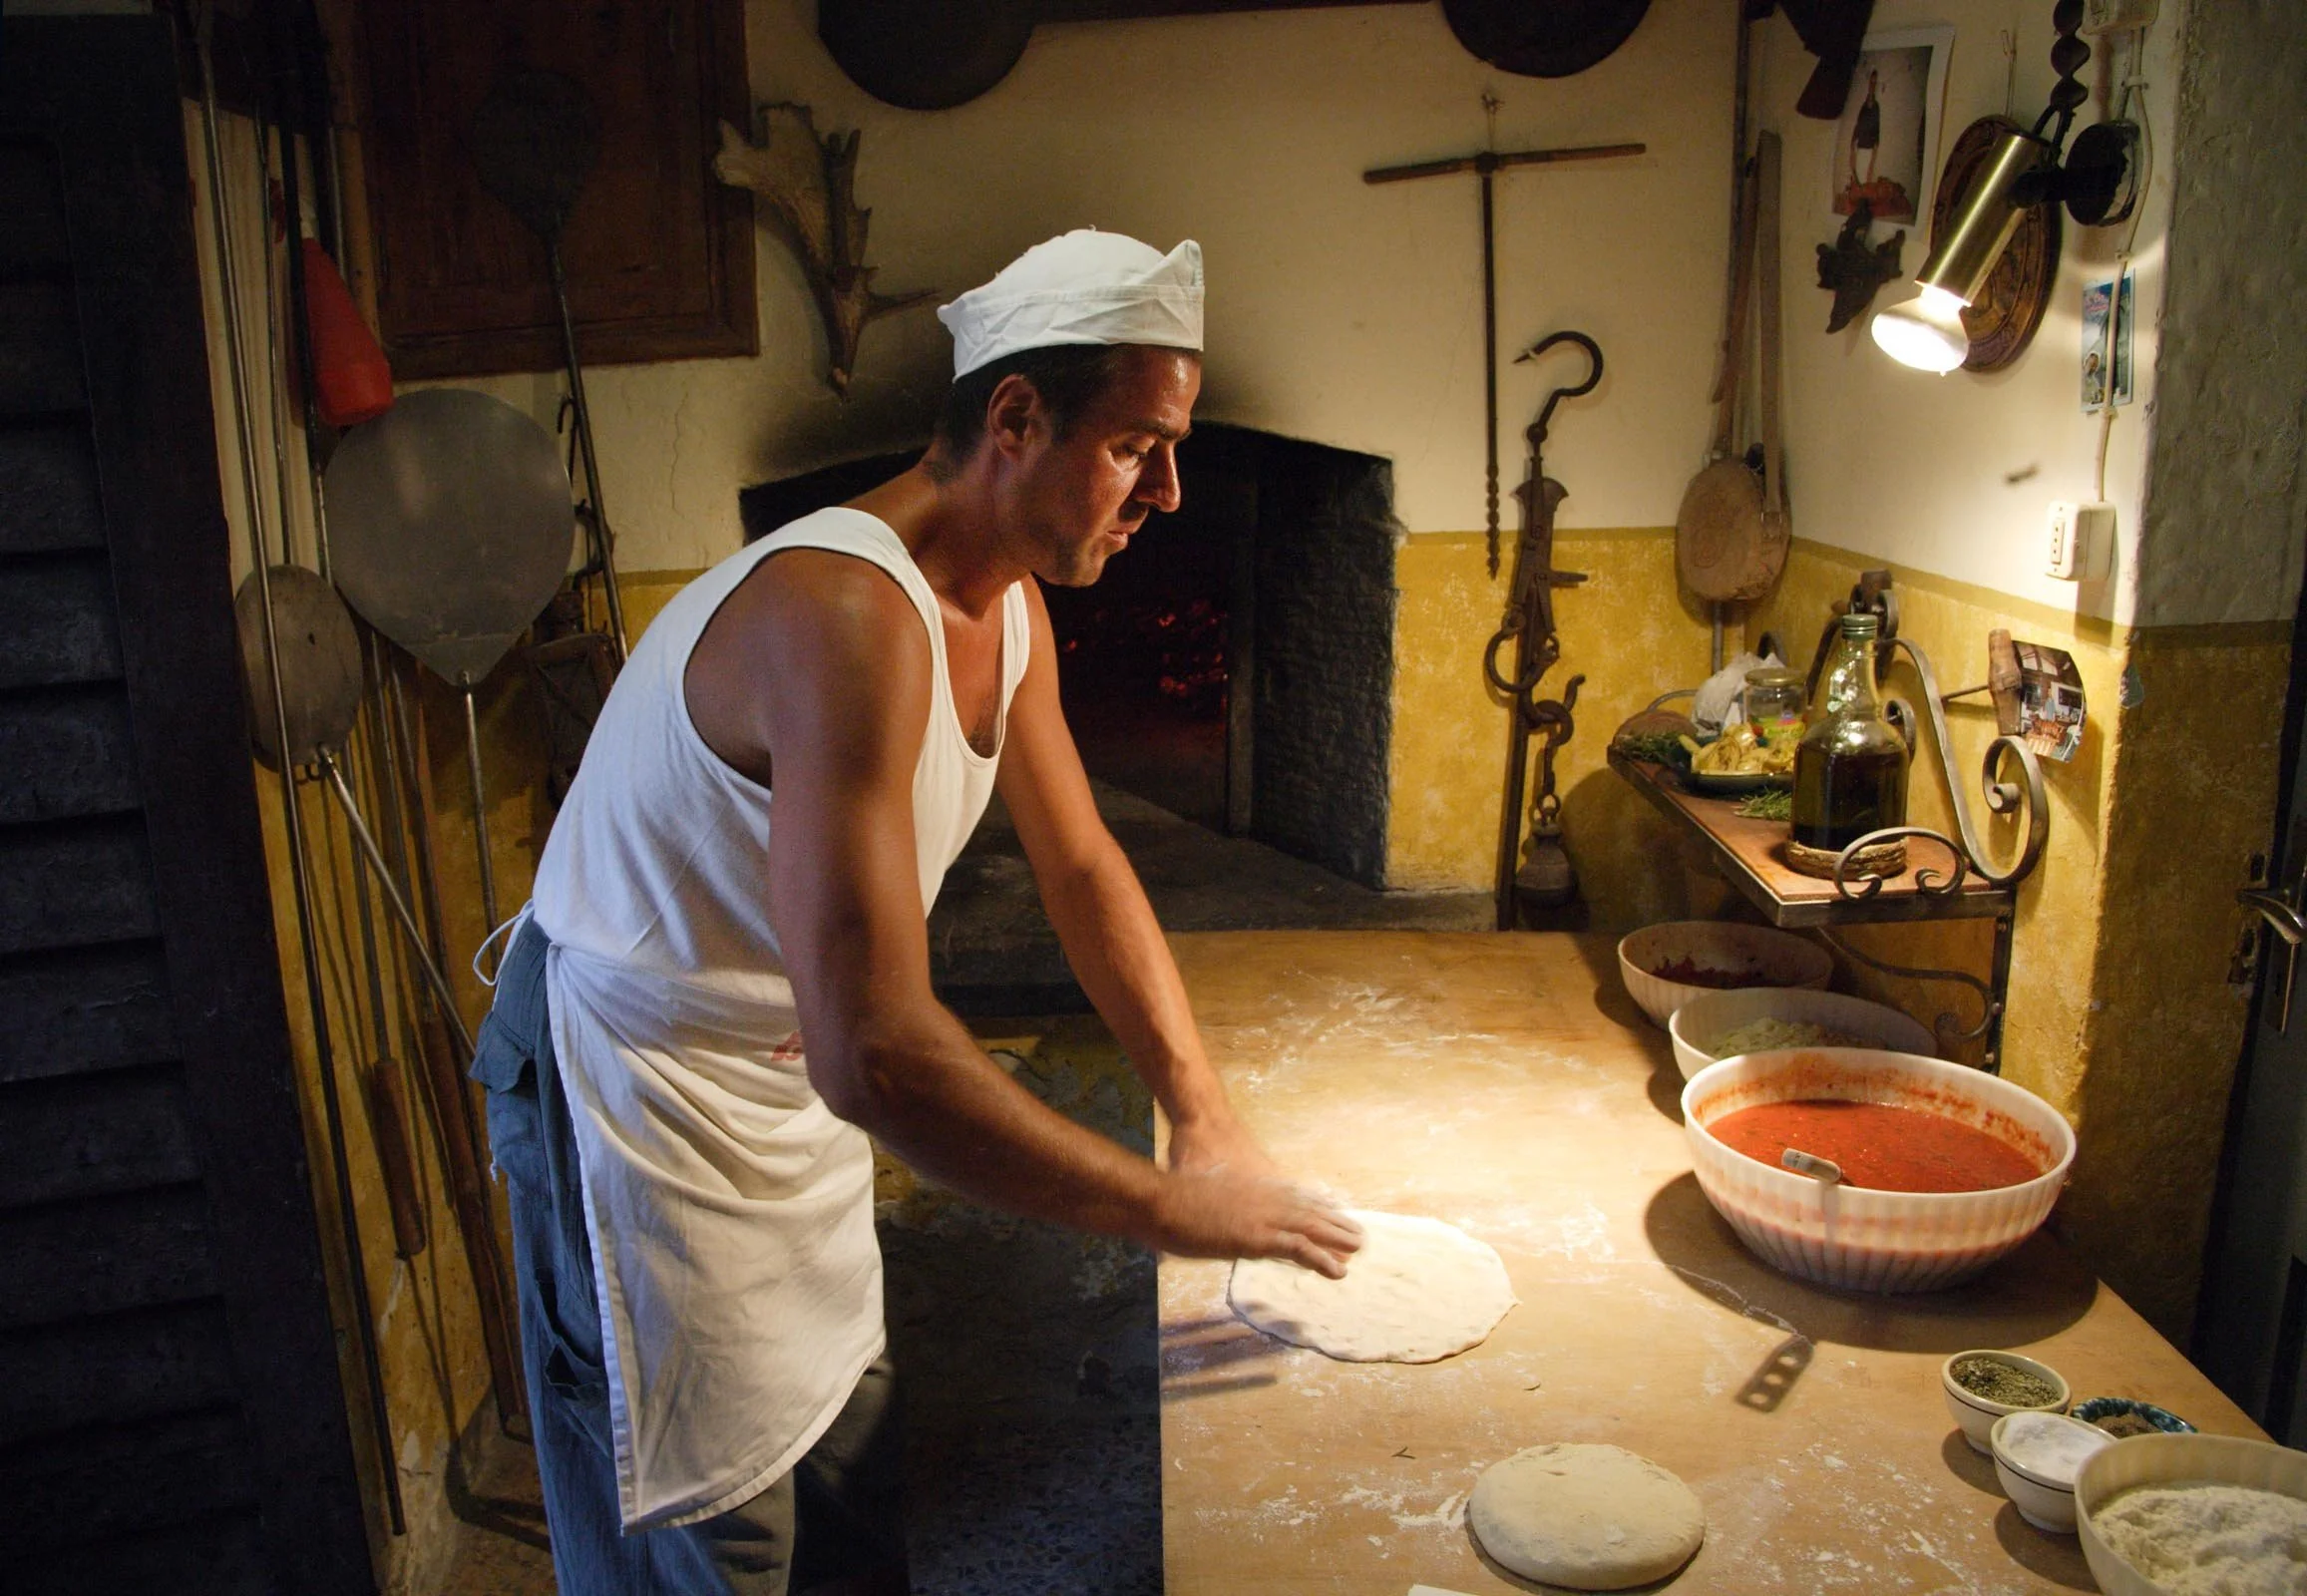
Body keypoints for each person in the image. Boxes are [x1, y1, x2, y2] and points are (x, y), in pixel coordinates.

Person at [470, 229, 1362, 1596]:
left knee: (841, 1431)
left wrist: (1203, 1115)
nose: (1170, 494)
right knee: (714, 1527)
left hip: (785, 1066)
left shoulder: (1005, 613)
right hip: (637, 1093)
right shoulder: (839, 611)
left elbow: (1081, 868)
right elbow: (877, 1054)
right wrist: (1167, 1215)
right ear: (1016, 417)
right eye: (1136, 447)